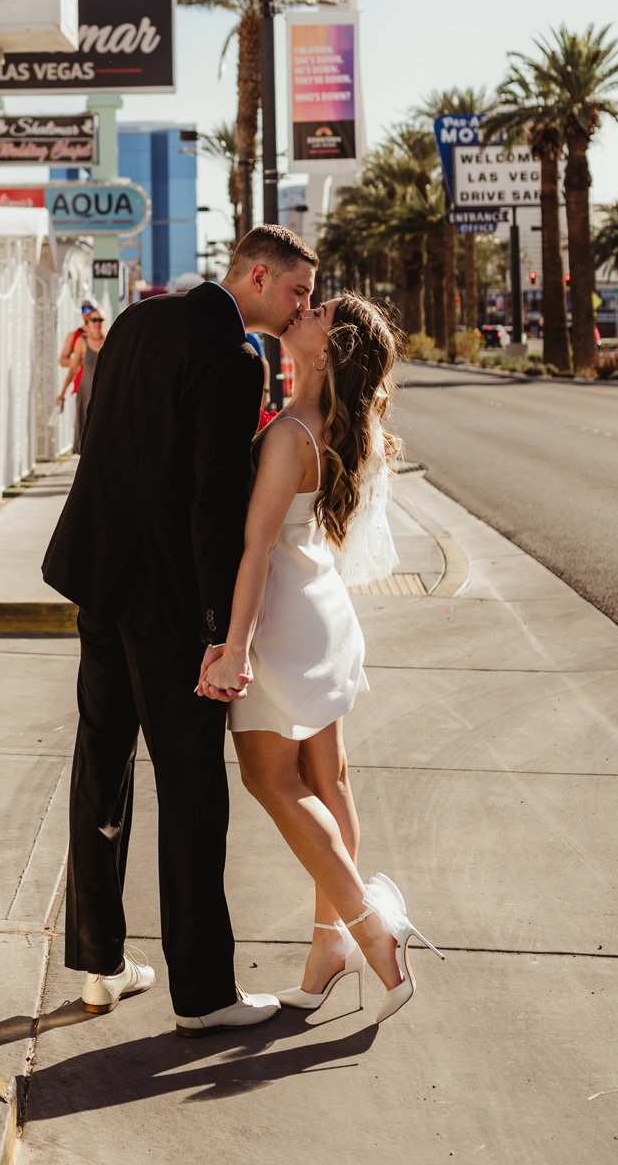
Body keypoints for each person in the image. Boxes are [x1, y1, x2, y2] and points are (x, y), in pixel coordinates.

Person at [42, 224, 318, 1035]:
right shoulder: (235, 358)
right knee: (193, 791)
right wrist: (216, 628)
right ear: (259, 277)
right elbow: (211, 501)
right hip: (168, 606)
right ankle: (202, 994)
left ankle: (99, 965)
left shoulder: (138, 320)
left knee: (101, 766)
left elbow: (103, 441)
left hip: (99, 582)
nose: (302, 305)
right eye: (297, 291)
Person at [201, 292, 444, 1024]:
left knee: (269, 781)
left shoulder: (288, 435)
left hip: (280, 622)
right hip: (324, 613)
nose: (301, 310)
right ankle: (326, 947)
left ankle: (372, 932)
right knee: (326, 779)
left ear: (328, 349)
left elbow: (254, 546)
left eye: (316, 312)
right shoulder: (344, 427)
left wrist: (233, 647)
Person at [57, 308, 107, 449]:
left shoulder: (110, 341)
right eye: (94, 320)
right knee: (88, 434)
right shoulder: (81, 342)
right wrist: (62, 394)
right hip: (86, 393)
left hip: (105, 394)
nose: (97, 323)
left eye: (100, 320)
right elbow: (72, 368)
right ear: (88, 323)